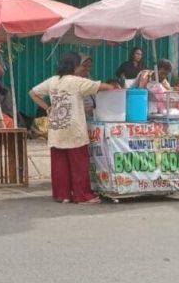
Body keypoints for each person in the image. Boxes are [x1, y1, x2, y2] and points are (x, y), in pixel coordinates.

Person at [29, 52, 116, 204]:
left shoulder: (53, 81)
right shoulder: (77, 81)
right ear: (75, 66)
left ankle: (63, 195)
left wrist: (47, 107)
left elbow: (33, 93)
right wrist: (114, 87)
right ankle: (82, 195)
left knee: (59, 165)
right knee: (79, 164)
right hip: (74, 128)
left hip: (56, 128)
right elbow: (102, 87)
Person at [74, 53, 96, 119]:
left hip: (92, 115)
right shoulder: (73, 81)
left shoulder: (89, 78)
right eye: (84, 66)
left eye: (89, 66)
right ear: (77, 66)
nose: (87, 69)